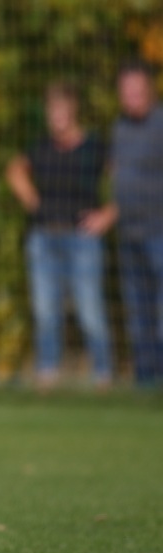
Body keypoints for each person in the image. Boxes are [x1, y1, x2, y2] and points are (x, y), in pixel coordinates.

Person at [6, 81, 113, 389]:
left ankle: (103, 375)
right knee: (45, 311)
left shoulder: (93, 146)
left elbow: (124, 175)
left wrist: (108, 213)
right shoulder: (41, 147)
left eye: (62, 110)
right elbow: (14, 170)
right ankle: (47, 374)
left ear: (73, 109)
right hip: (44, 236)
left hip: (82, 238)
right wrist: (32, 200)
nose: (57, 116)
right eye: (52, 111)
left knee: (90, 309)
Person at [84, 62, 163, 386]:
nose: (132, 97)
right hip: (129, 234)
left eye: (138, 90)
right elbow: (120, 175)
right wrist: (109, 213)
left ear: (150, 90)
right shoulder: (120, 127)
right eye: (126, 92)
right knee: (137, 313)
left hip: (160, 232)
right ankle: (146, 383)